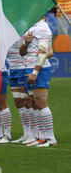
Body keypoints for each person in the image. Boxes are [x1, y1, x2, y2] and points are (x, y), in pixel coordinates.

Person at [20, 17, 57, 147]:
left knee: (41, 103)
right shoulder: (32, 27)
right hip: (28, 66)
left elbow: (44, 51)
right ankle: (41, 137)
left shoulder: (42, 27)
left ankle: (50, 138)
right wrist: (25, 42)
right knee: (34, 104)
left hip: (39, 68)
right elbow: (22, 52)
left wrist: (35, 72)